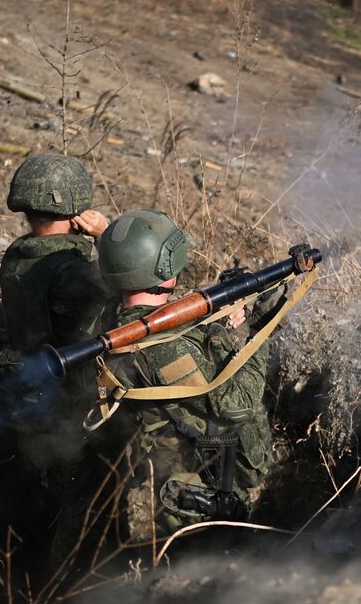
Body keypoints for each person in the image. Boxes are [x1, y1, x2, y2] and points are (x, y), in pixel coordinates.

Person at [94, 209, 277, 538]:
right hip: (195, 477)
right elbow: (237, 405)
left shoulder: (114, 316)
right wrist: (259, 333)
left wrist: (214, 326)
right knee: (204, 566)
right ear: (163, 269)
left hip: (162, 458)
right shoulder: (163, 348)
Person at [0, 153, 110, 355]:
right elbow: (125, 298)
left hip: (31, 369)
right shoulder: (74, 274)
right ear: (75, 212)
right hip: (74, 382)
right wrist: (105, 237)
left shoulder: (17, 253)